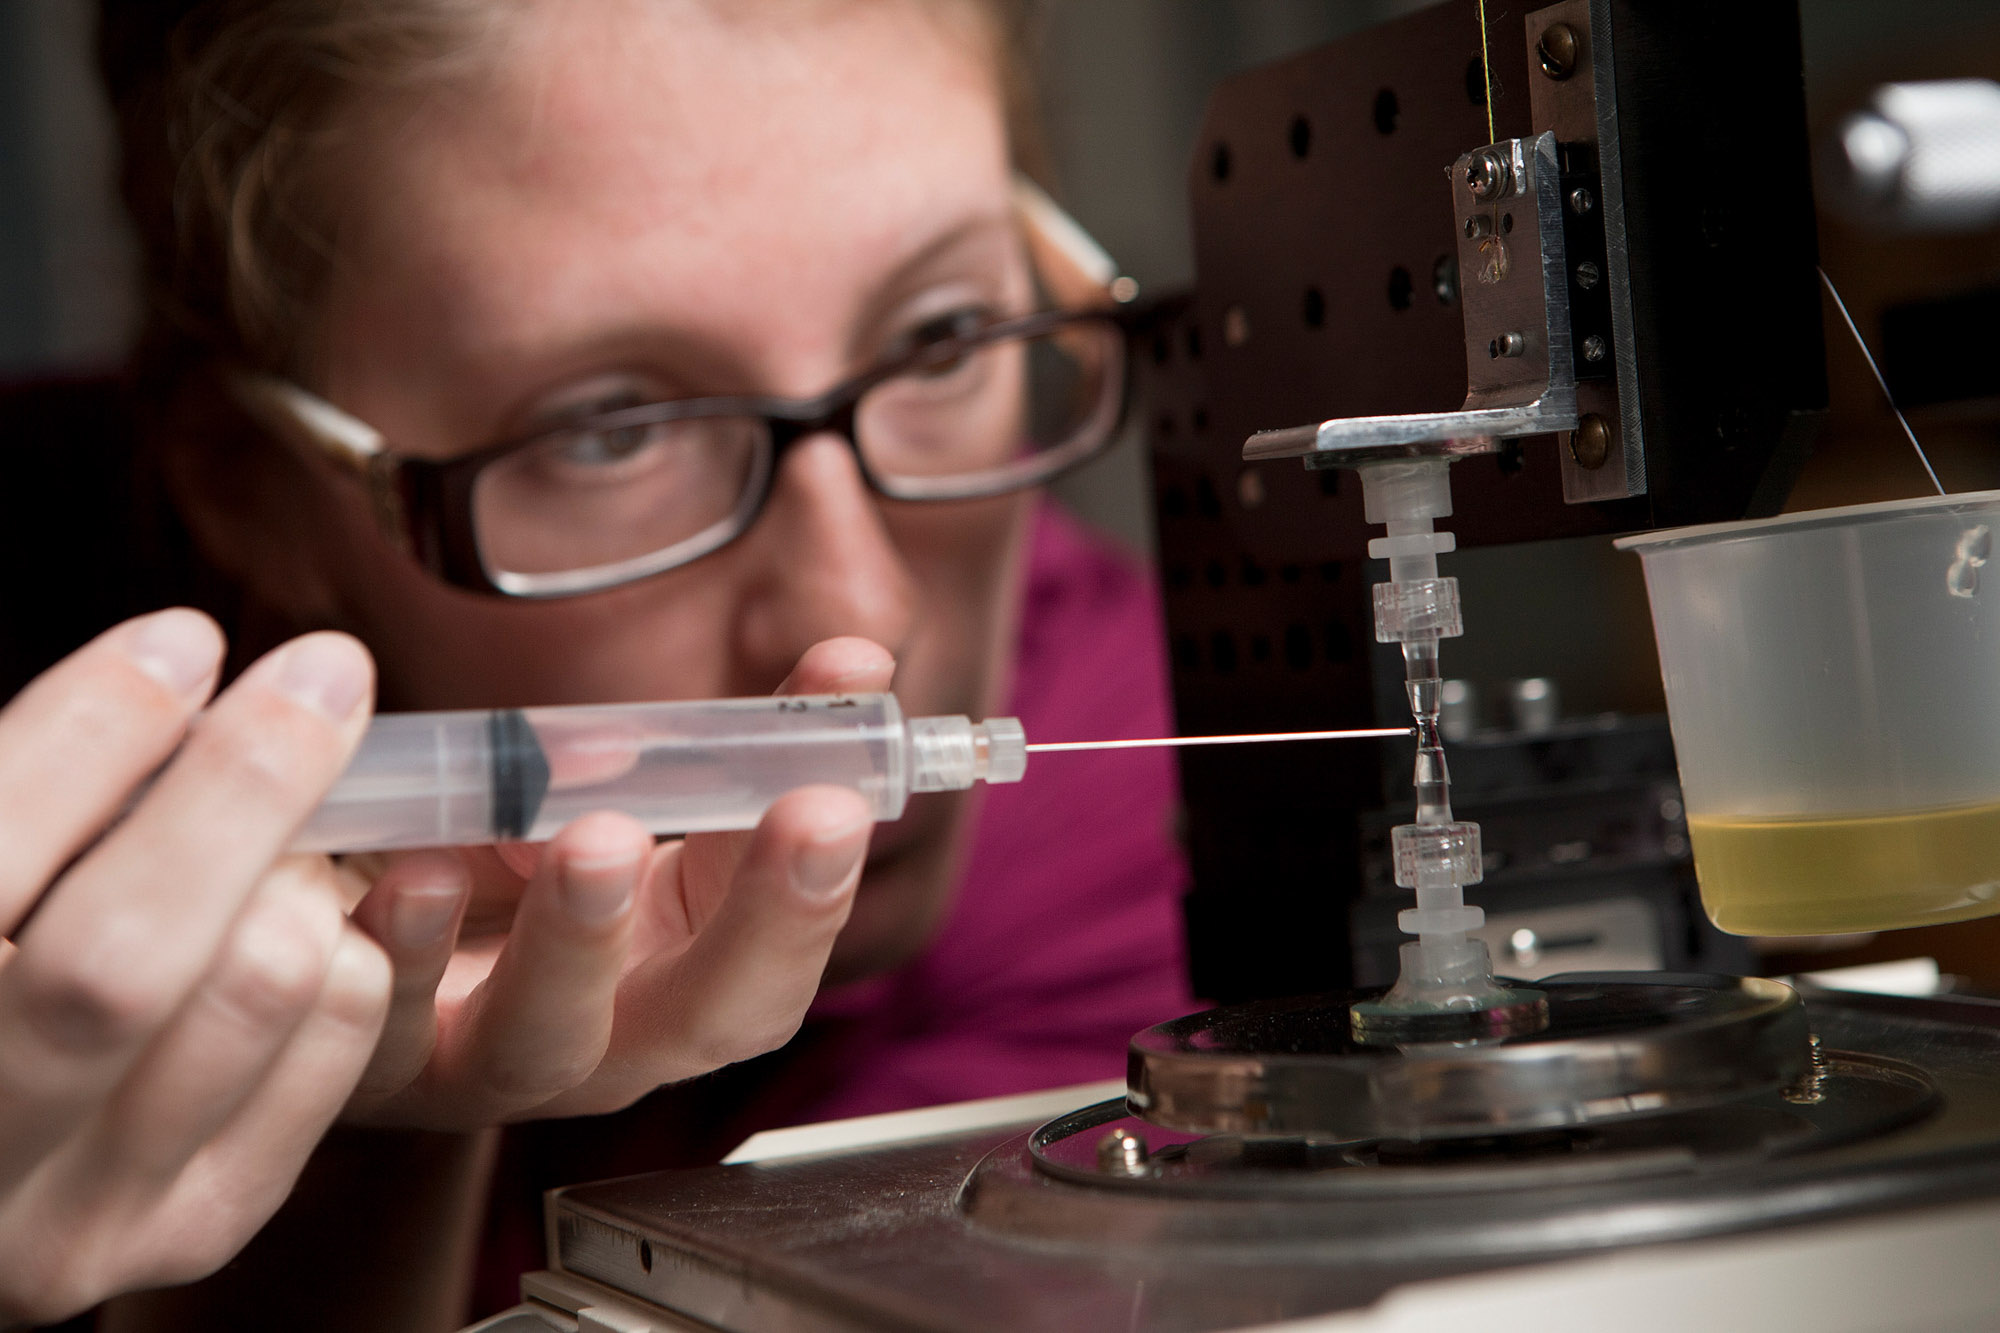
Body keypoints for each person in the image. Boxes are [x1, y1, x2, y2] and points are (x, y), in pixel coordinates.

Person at [0, 0, 1193, 1325]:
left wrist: (361, 1136)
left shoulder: (1128, 763)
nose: (866, 609)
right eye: (613, 428)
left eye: (942, 341)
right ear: (256, 493)